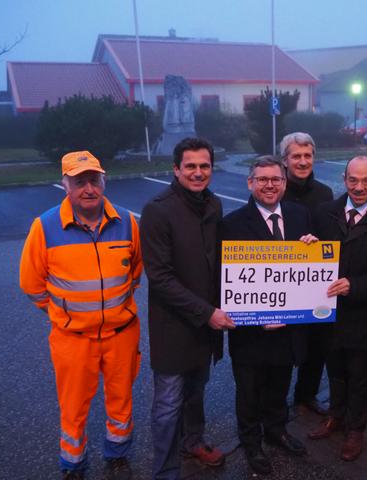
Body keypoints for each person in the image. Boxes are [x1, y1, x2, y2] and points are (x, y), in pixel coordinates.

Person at [20, 151, 142, 480]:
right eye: (79, 182)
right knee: (73, 408)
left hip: (121, 333)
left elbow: (135, 272)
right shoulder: (45, 226)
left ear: (104, 182)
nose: (88, 188)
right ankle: (73, 465)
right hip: (72, 339)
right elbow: (31, 285)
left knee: (121, 400)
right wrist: (65, 314)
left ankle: (118, 452)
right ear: (65, 185)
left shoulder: (128, 222)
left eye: (94, 180)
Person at [140, 137, 235, 480]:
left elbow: (225, 260)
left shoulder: (214, 205)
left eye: (204, 166)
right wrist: (207, 312)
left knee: (196, 391)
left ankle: (192, 441)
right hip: (175, 326)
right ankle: (166, 470)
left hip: (205, 326)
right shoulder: (157, 210)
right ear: (176, 169)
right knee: (168, 404)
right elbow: (160, 278)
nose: (198, 172)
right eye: (191, 166)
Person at [221, 156, 316, 475]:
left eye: (276, 179)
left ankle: (276, 431)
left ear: (285, 183)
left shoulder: (300, 215)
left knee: (279, 383)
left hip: (288, 327)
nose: (269, 185)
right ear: (250, 183)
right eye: (262, 179)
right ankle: (251, 443)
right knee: (249, 391)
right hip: (250, 330)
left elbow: (309, 269)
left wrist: (312, 250)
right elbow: (226, 280)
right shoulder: (232, 224)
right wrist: (253, 315)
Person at [309, 155, 367, 461]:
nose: (359, 187)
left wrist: (355, 286)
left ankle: (355, 428)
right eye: (353, 180)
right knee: (334, 370)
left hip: (366, 317)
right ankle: (336, 415)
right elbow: (311, 263)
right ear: (344, 179)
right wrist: (305, 247)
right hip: (328, 314)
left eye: (366, 181)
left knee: (361, 375)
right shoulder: (324, 214)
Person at [280, 132, 334, 416]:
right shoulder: (275, 190)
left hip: (316, 284)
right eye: (296, 156)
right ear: (285, 160)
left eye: (307, 156)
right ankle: (277, 403)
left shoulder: (325, 193)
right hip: (281, 282)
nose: (302, 161)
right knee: (284, 348)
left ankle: (306, 395)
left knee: (316, 347)